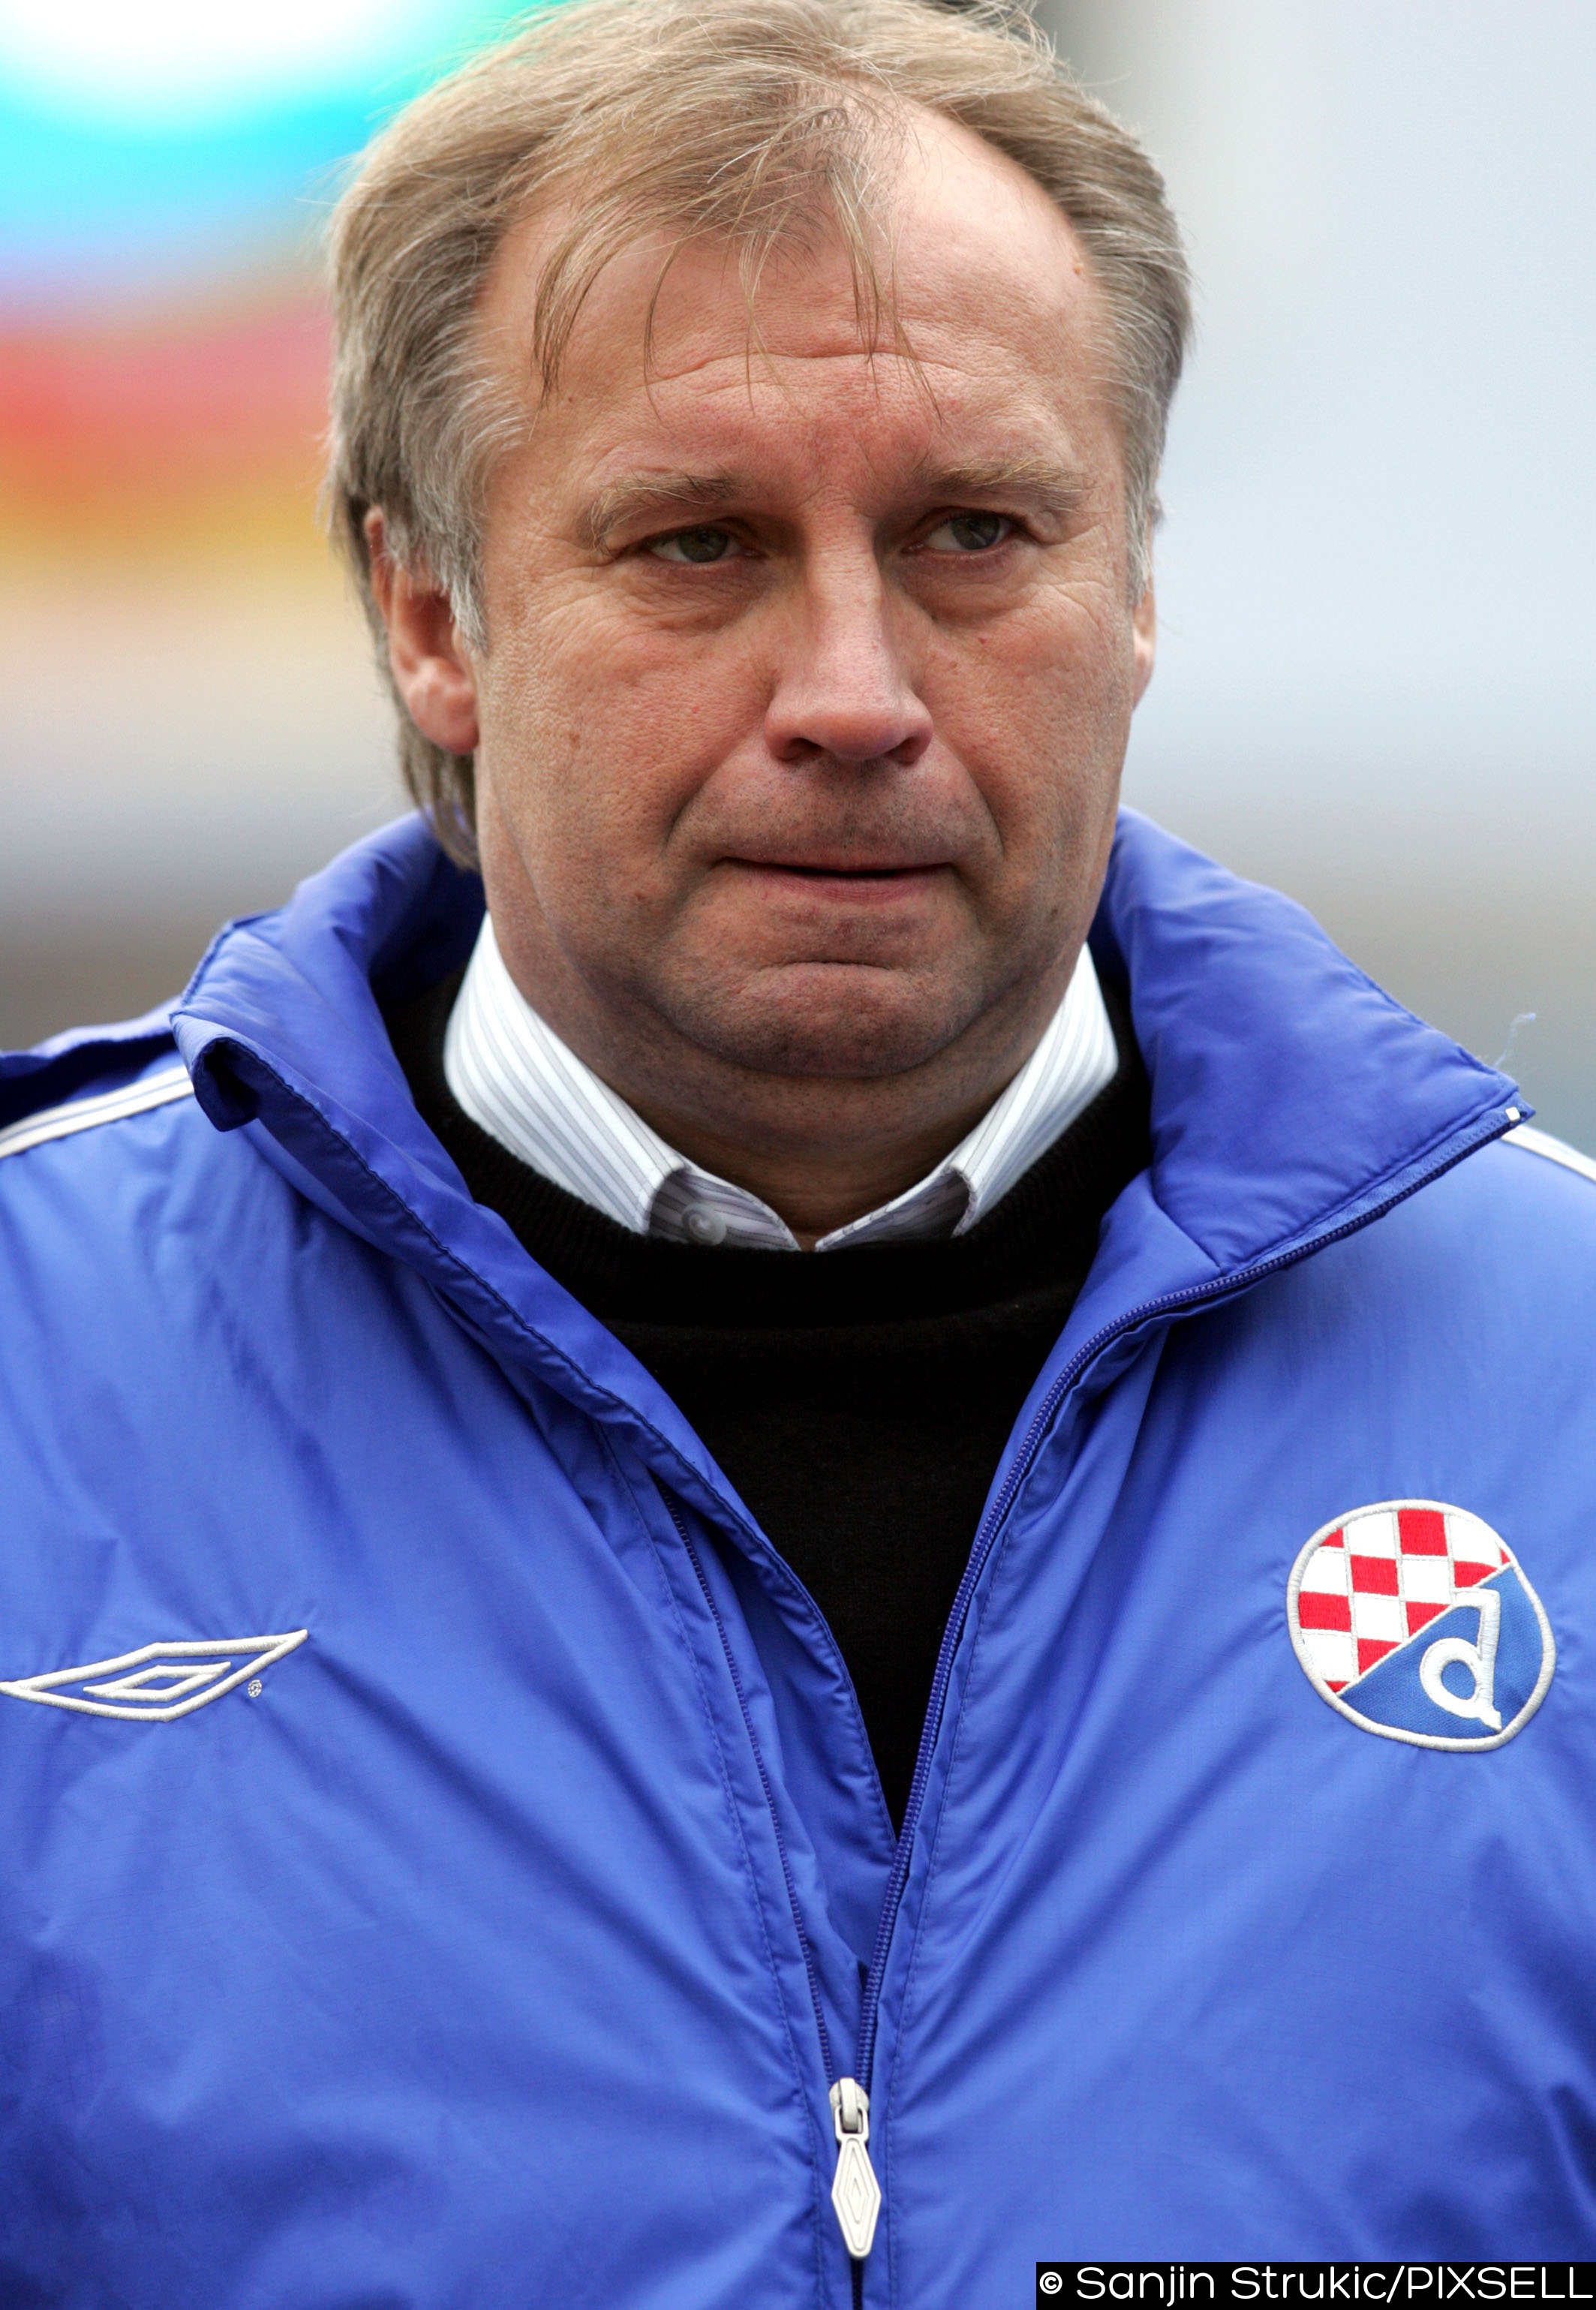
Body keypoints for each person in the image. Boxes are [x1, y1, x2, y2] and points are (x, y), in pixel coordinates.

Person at [1, 0, 1592, 2294]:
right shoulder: (37, 1367)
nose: (854, 694)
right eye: (699, 543)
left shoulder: (1564, 1384)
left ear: (1138, 587)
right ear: (432, 616)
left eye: (973, 533)